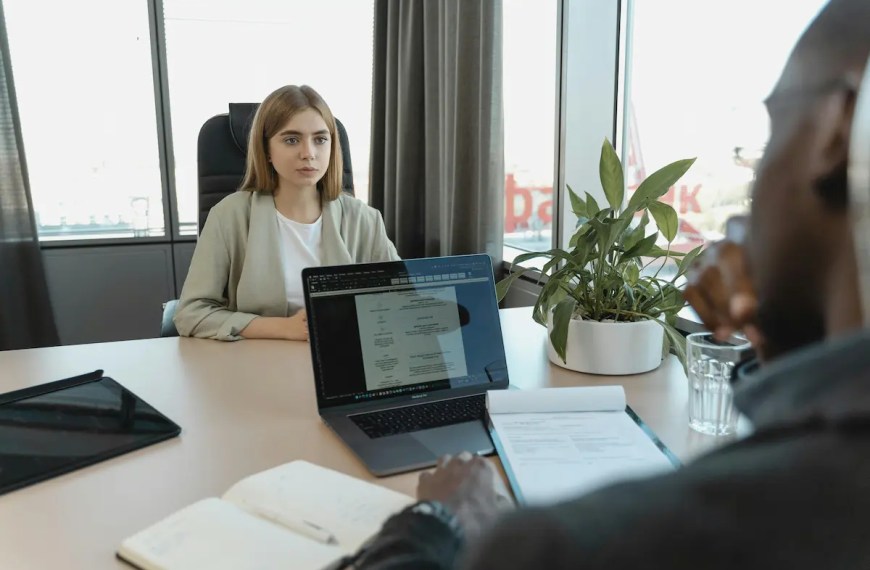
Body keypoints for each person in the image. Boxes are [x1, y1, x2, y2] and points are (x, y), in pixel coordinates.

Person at [334, 1, 870, 567]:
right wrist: (776, 325)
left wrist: (433, 521)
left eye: (769, 130)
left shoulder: (565, 546)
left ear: (836, 130)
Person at [174, 85, 399, 341]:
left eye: (320, 139)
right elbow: (191, 313)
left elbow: (403, 299)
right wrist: (285, 328)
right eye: (291, 140)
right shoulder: (229, 216)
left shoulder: (365, 220)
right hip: (255, 363)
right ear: (267, 150)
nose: (308, 154)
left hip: (342, 358)